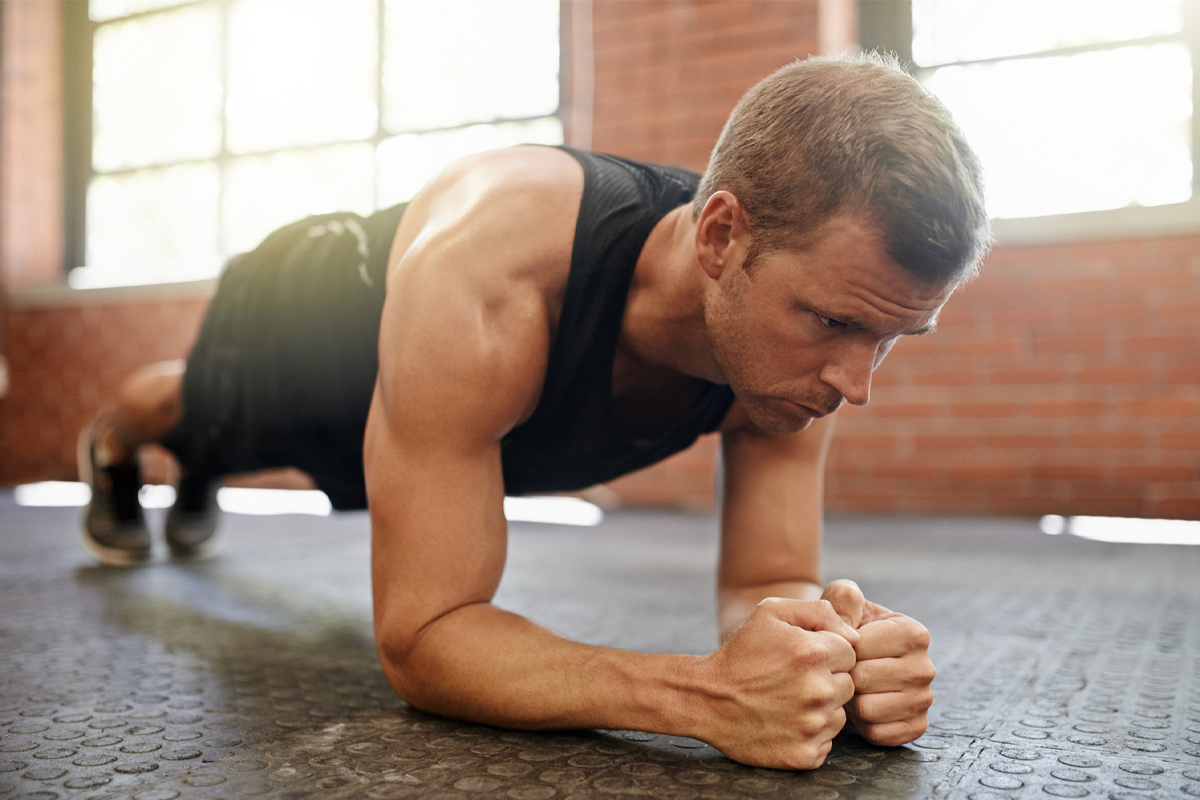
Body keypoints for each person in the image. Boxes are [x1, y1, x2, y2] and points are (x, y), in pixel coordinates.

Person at [78, 53, 989, 770]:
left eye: (890, 339)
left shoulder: (799, 329)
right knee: (192, 409)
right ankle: (121, 446)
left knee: (238, 444)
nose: (855, 383)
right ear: (720, 237)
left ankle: (192, 457)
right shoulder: (496, 274)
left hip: (451, 408)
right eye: (834, 323)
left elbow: (768, 579)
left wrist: (832, 658)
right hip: (318, 318)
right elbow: (425, 638)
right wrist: (702, 695)